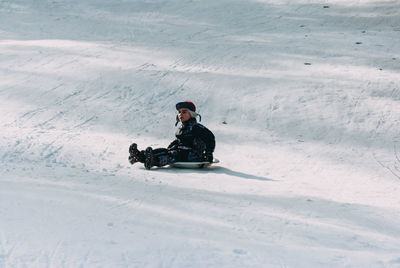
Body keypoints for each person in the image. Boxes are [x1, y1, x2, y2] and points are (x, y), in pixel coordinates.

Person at [128, 101, 215, 169]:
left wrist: (209, 154)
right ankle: (139, 156)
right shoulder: (182, 128)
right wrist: (174, 144)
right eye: (179, 112)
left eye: (184, 112)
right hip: (181, 152)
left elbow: (210, 138)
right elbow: (180, 140)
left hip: (193, 155)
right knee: (165, 151)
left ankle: (153, 161)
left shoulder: (197, 128)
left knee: (171, 155)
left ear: (191, 114)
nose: (181, 114)